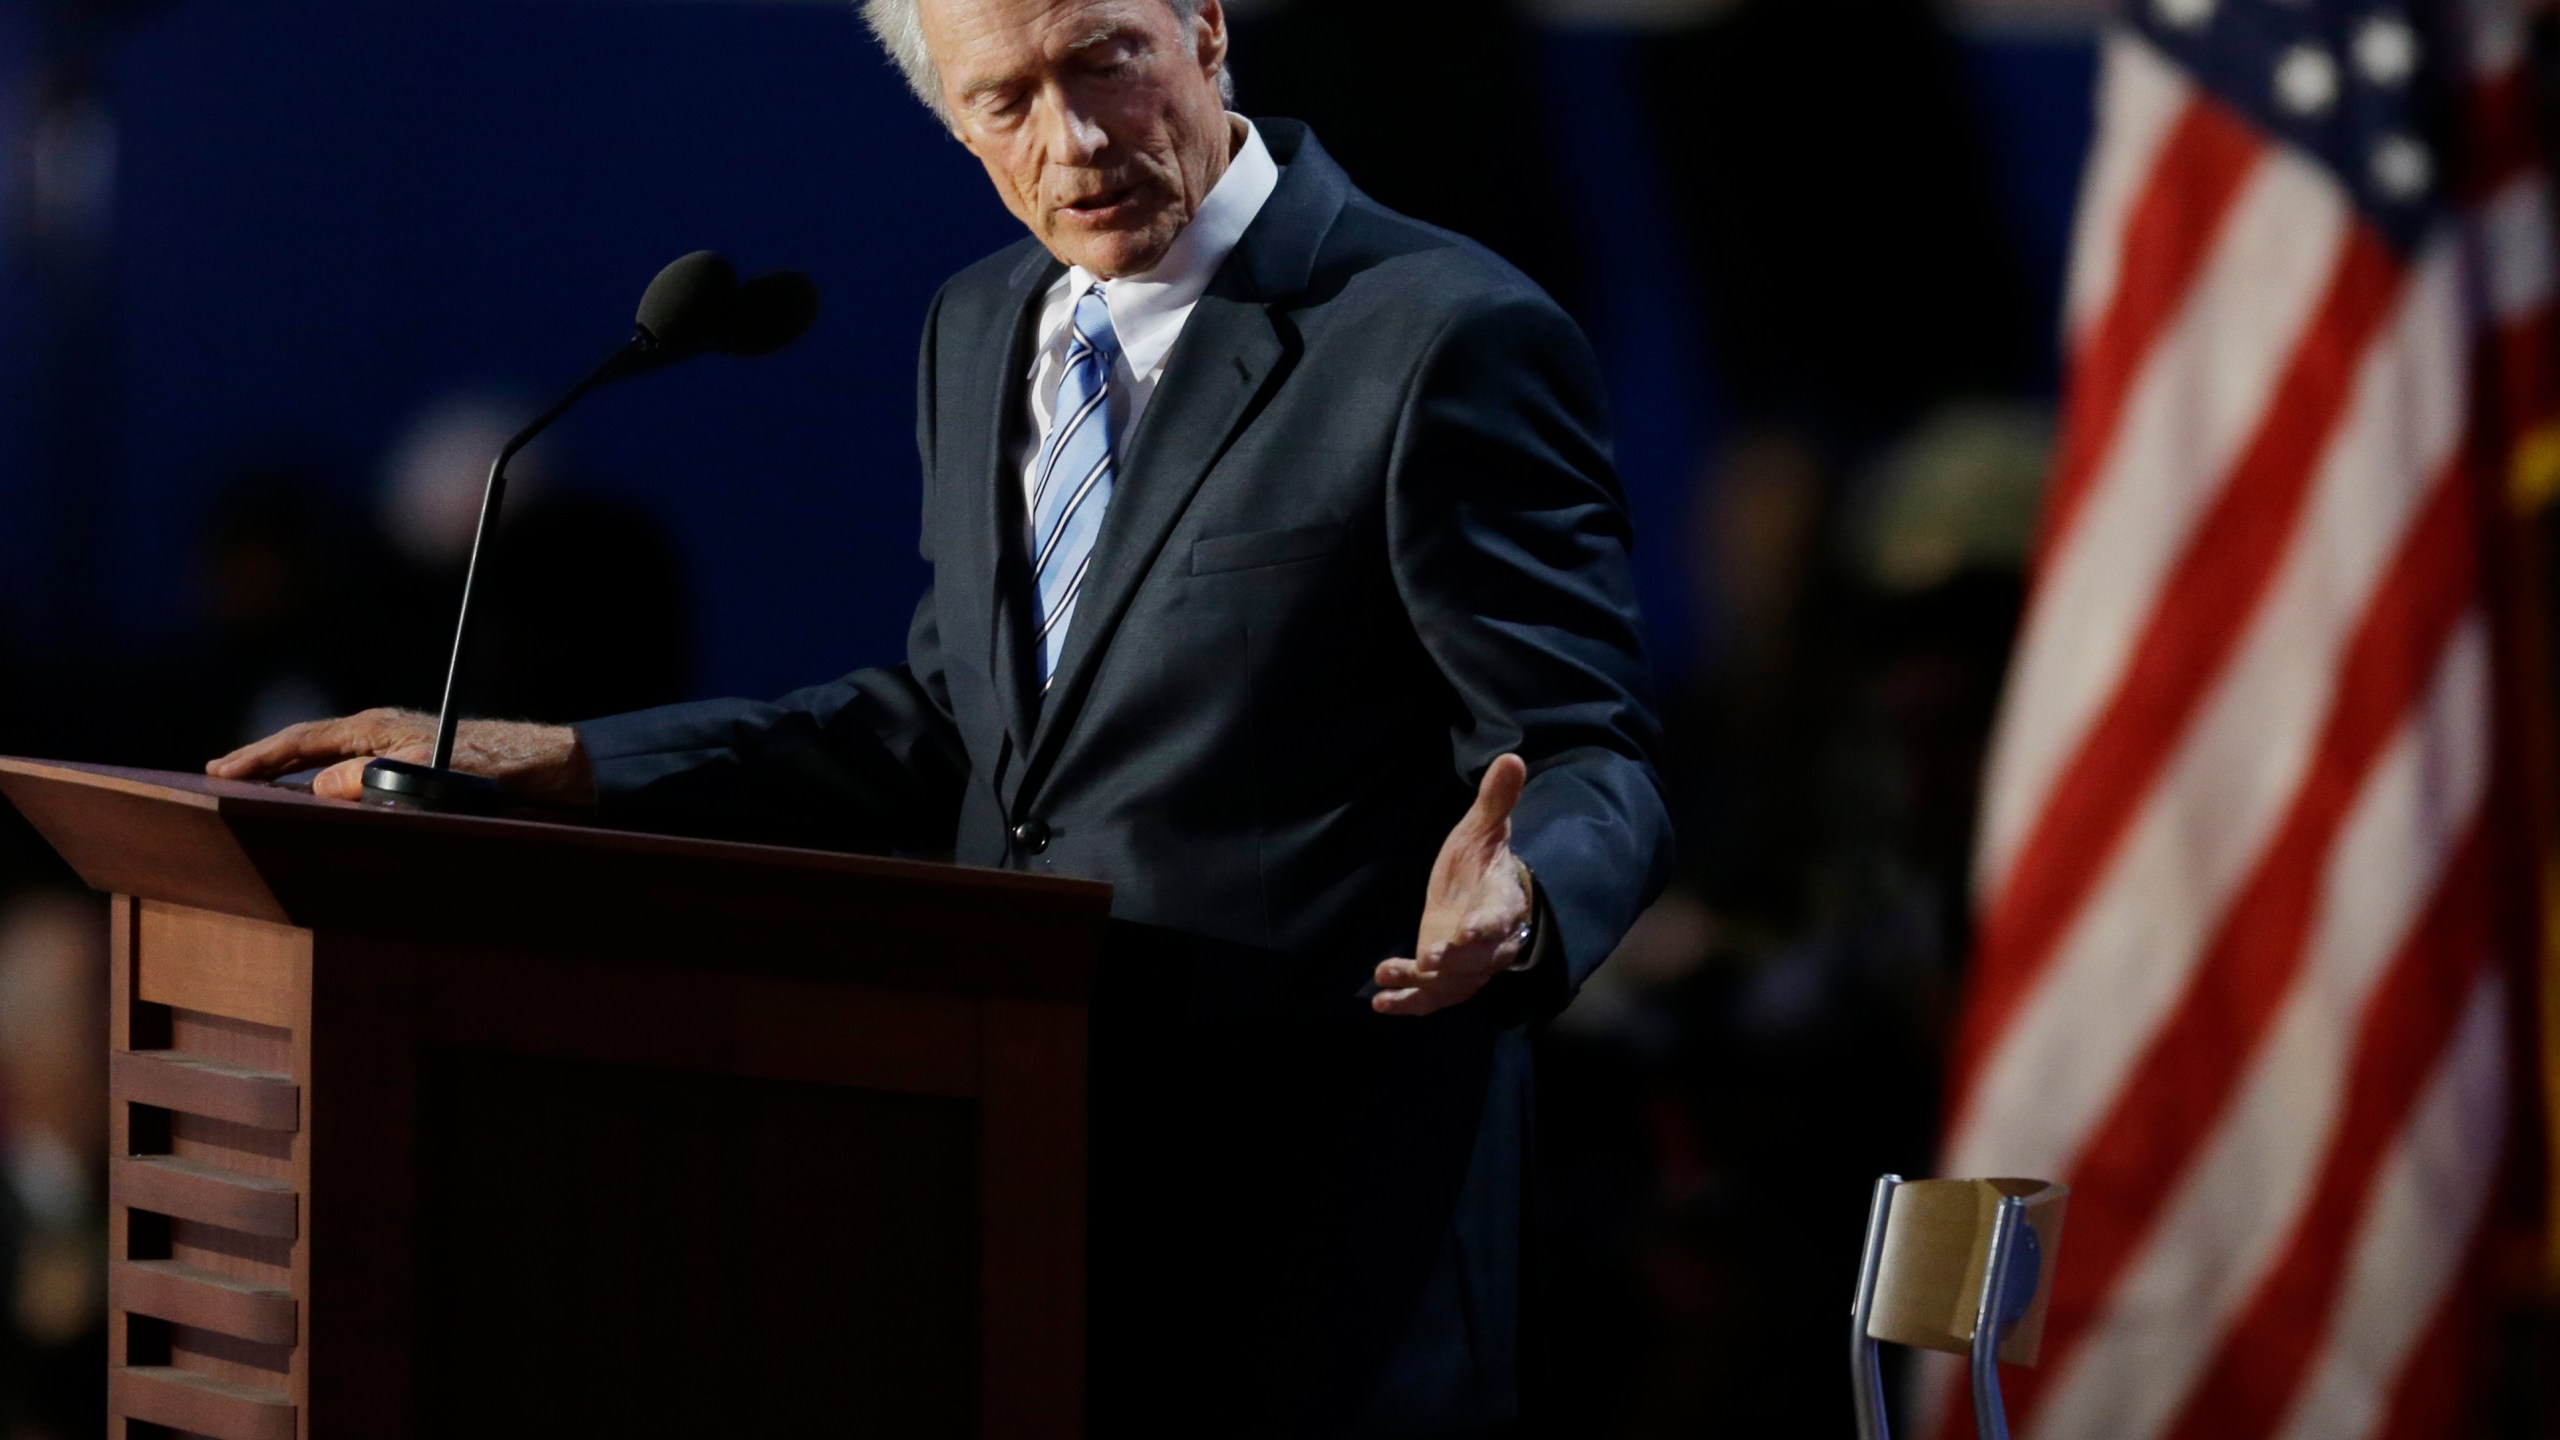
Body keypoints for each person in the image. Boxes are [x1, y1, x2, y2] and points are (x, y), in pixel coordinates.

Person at [211, 0, 1673, 1431]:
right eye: (1006, 102)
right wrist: (581, 758)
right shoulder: (980, 328)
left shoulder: (1440, 331)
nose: (1074, 140)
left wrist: (1527, 898)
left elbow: (1583, 744)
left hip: (1323, 1216)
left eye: (1105, 63)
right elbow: (954, 730)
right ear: (953, 120)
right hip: (1008, 1172)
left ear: (1207, 30)